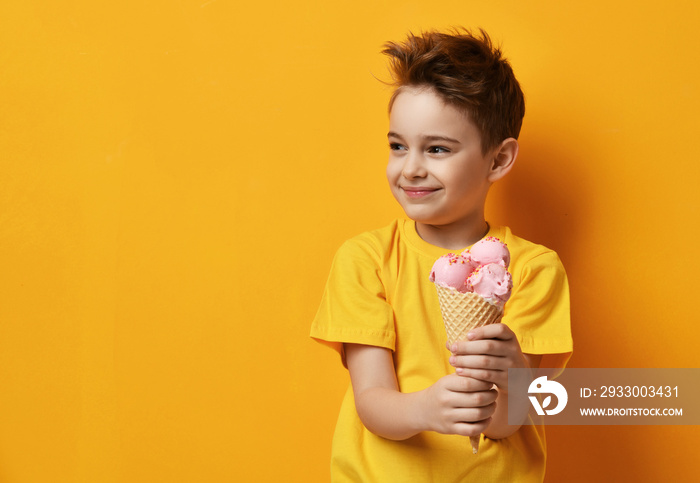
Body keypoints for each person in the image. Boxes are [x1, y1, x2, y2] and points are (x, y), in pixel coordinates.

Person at [310, 28, 573, 482]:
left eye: (437, 149)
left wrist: (511, 375)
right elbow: (372, 401)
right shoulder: (367, 258)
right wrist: (426, 408)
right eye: (398, 145)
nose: (410, 167)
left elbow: (506, 422)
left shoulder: (533, 270)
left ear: (498, 160)